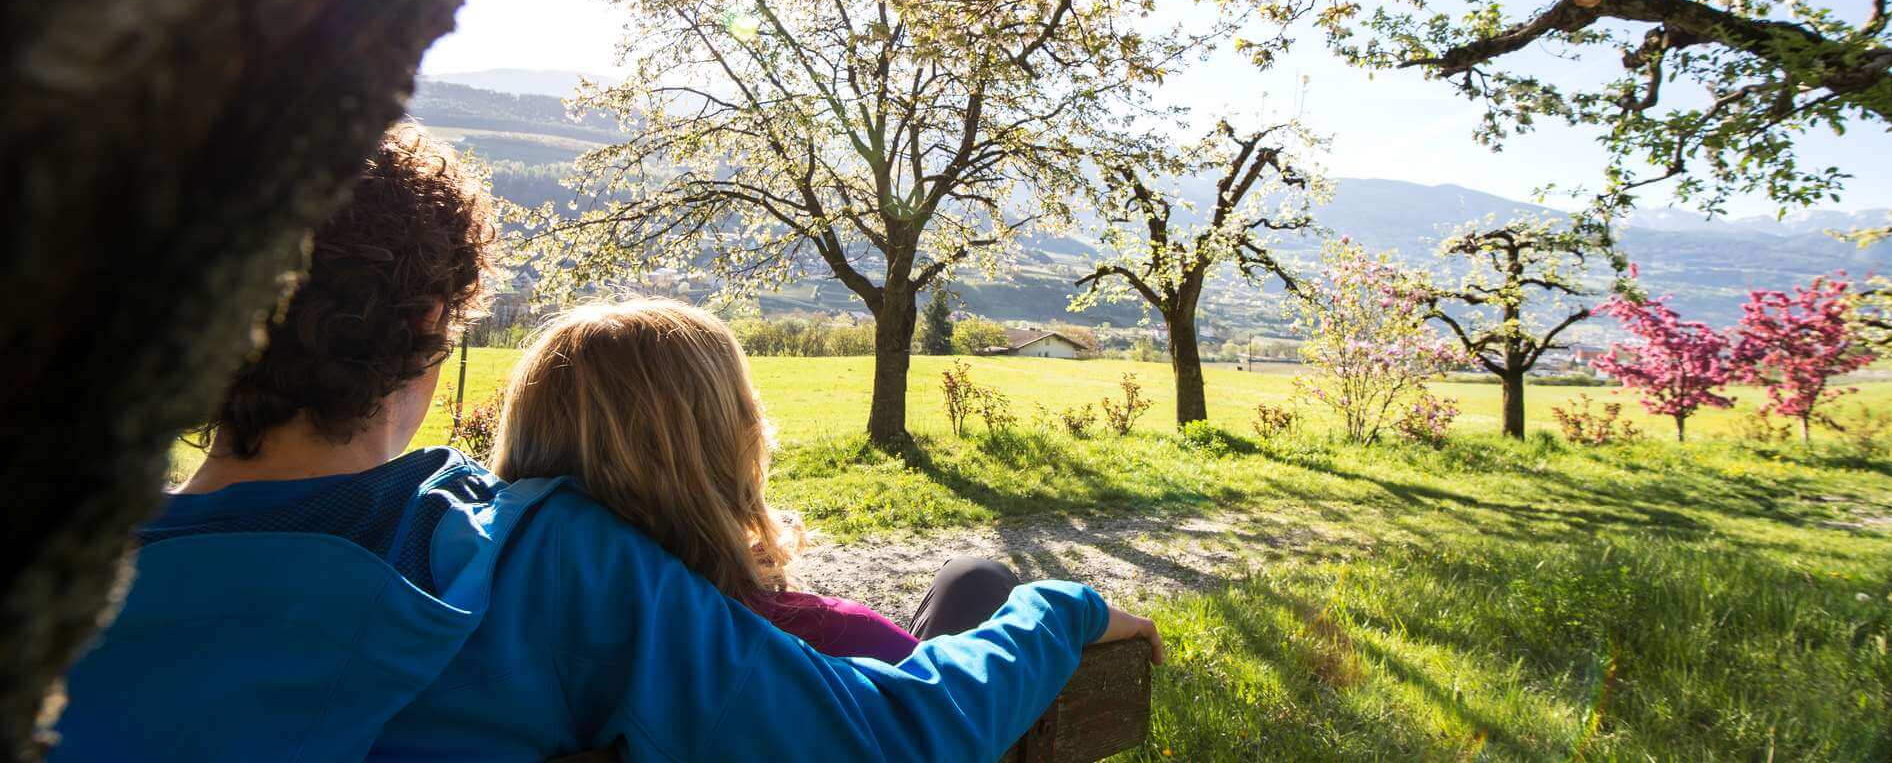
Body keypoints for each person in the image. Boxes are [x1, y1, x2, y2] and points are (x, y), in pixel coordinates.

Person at [51, 124, 1162, 762]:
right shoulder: (540, 564)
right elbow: (896, 740)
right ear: (437, 343)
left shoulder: (54, 598)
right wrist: (1052, 606)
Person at [492, 299, 1020, 662]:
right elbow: (943, 706)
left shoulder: (479, 637)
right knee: (977, 581)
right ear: (731, 442)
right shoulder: (824, 639)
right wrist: (1064, 614)